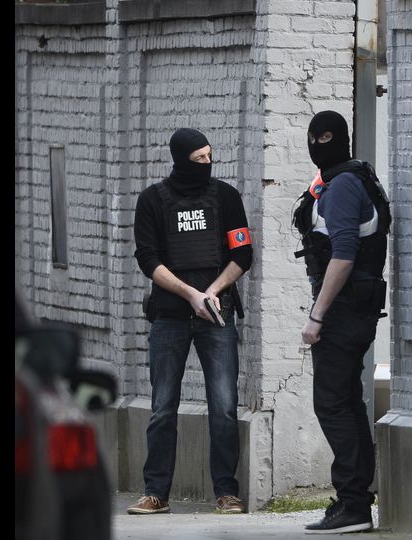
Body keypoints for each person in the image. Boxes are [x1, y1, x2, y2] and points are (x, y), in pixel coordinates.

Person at [129, 127, 252, 515]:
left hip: (217, 315)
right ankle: (156, 492)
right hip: (169, 317)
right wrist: (190, 295)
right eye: (199, 158)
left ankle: (226, 493)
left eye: (209, 157)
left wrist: (213, 292)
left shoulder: (226, 197)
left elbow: (243, 252)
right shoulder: (152, 201)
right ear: (181, 159)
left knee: (224, 406)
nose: (207, 164)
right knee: (163, 406)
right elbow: (148, 259)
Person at [291, 110, 390, 534]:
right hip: (352, 310)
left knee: (332, 404)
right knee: (346, 403)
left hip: (344, 312)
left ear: (341, 139)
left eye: (326, 136)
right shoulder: (346, 178)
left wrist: (317, 315)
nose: (317, 143)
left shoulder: (345, 184)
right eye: (313, 136)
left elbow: (344, 254)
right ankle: (355, 502)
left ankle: (352, 506)